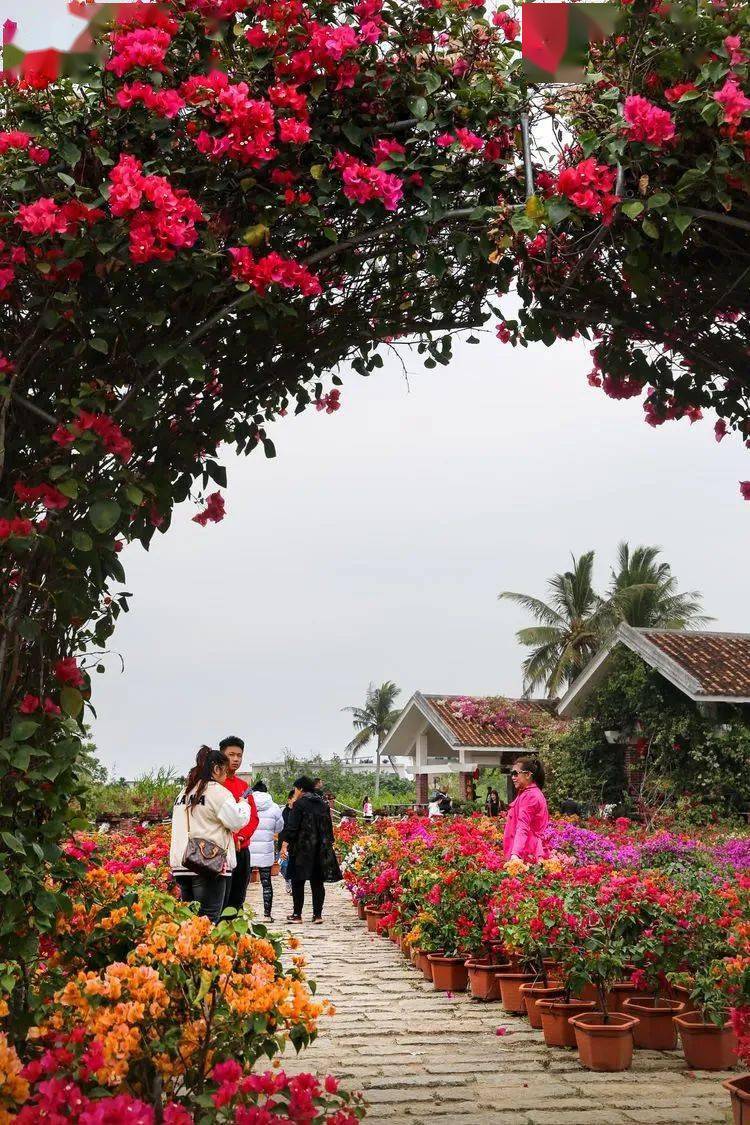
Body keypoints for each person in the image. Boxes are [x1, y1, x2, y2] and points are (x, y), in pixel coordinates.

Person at [170, 746, 252, 923]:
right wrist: (244, 804)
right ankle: (204, 951)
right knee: (208, 920)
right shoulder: (217, 792)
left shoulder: (184, 792)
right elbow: (237, 821)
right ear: (216, 769)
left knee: (189, 921)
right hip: (207, 864)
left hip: (182, 864)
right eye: (224, 769)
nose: (226, 775)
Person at [280, 775, 342, 924]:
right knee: (317, 882)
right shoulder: (323, 804)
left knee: (297, 881)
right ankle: (317, 915)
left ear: (300, 788)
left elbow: (292, 828)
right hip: (320, 848)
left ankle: (297, 914)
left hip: (301, 849)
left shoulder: (299, 804)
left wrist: (285, 844)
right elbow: (328, 828)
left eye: (295, 789)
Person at [220, 736, 260, 911]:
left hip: (242, 850)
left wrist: (241, 837)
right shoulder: (214, 786)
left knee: (238, 899)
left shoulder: (244, 785)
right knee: (221, 899)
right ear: (221, 756)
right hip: (221, 851)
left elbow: (253, 818)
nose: (235, 759)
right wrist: (232, 838)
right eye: (231, 755)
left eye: (239, 755)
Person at [248, 781, 284, 922]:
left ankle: (239, 913)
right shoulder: (274, 807)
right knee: (266, 883)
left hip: (248, 849)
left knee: (242, 884)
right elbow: (279, 828)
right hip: (266, 851)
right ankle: (267, 915)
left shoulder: (247, 804)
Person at [503, 756, 549, 863]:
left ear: (528, 775)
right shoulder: (528, 793)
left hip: (526, 853)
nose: (513, 777)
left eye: (516, 773)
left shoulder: (530, 796)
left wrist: (515, 855)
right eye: (512, 774)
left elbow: (523, 826)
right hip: (527, 851)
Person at [279, 788, 295, 895]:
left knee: (293, 865)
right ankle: (287, 880)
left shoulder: (299, 811)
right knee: (283, 866)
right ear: (289, 800)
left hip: (295, 843)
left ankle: (293, 883)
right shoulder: (282, 812)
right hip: (283, 841)